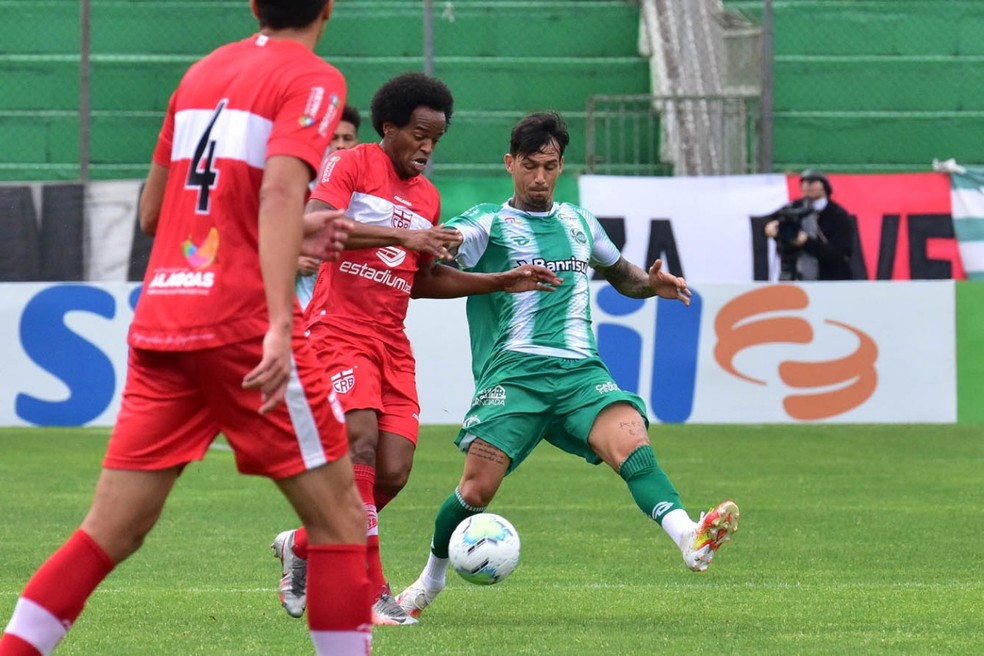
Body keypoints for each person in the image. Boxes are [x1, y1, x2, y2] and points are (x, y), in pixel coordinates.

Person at [0, 2, 374, 655]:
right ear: (329, 7)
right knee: (341, 520)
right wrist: (282, 325)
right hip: (242, 324)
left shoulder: (202, 73)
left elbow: (154, 213)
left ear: (254, 4)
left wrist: (283, 229)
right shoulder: (313, 79)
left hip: (165, 319)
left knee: (111, 529)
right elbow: (280, 193)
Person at [394, 111, 741, 620]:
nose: (539, 178)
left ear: (561, 166)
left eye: (550, 166)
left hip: (581, 372)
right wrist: (430, 246)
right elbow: (429, 268)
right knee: (476, 491)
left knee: (634, 446)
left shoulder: (580, 223)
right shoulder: (486, 223)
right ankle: (430, 581)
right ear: (510, 163)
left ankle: (688, 535)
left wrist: (652, 284)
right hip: (514, 374)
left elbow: (621, 274)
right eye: (530, 166)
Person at [270, 73, 562, 626]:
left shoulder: (428, 197)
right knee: (358, 444)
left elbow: (422, 279)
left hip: (391, 342)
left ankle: (303, 546)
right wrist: (404, 238)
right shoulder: (352, 164)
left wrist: (500, 280)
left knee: (394, 471)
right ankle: (371, 589)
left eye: (437, 139)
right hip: (336, 331)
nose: (427, 148)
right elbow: (312, 224)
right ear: (390, 128)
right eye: (419, 135)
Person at [296, 104, 362, 310]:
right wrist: (294, 262)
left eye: (347, 138)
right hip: (303, 306)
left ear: (356, 141)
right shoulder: (298, 189)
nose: (340, 145)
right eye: (333, 138)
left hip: (350, 305)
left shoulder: (366, 195)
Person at [764, 169, 854, 280]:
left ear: (825, 187)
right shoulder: (793, 208)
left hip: (829, 277)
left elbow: (840, 253)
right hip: (794, 274)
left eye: (813, 182)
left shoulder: (837, 214)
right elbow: (768, 222)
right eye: (804, 182)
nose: (808, 185)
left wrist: (806, 242)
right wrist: (770, 226)